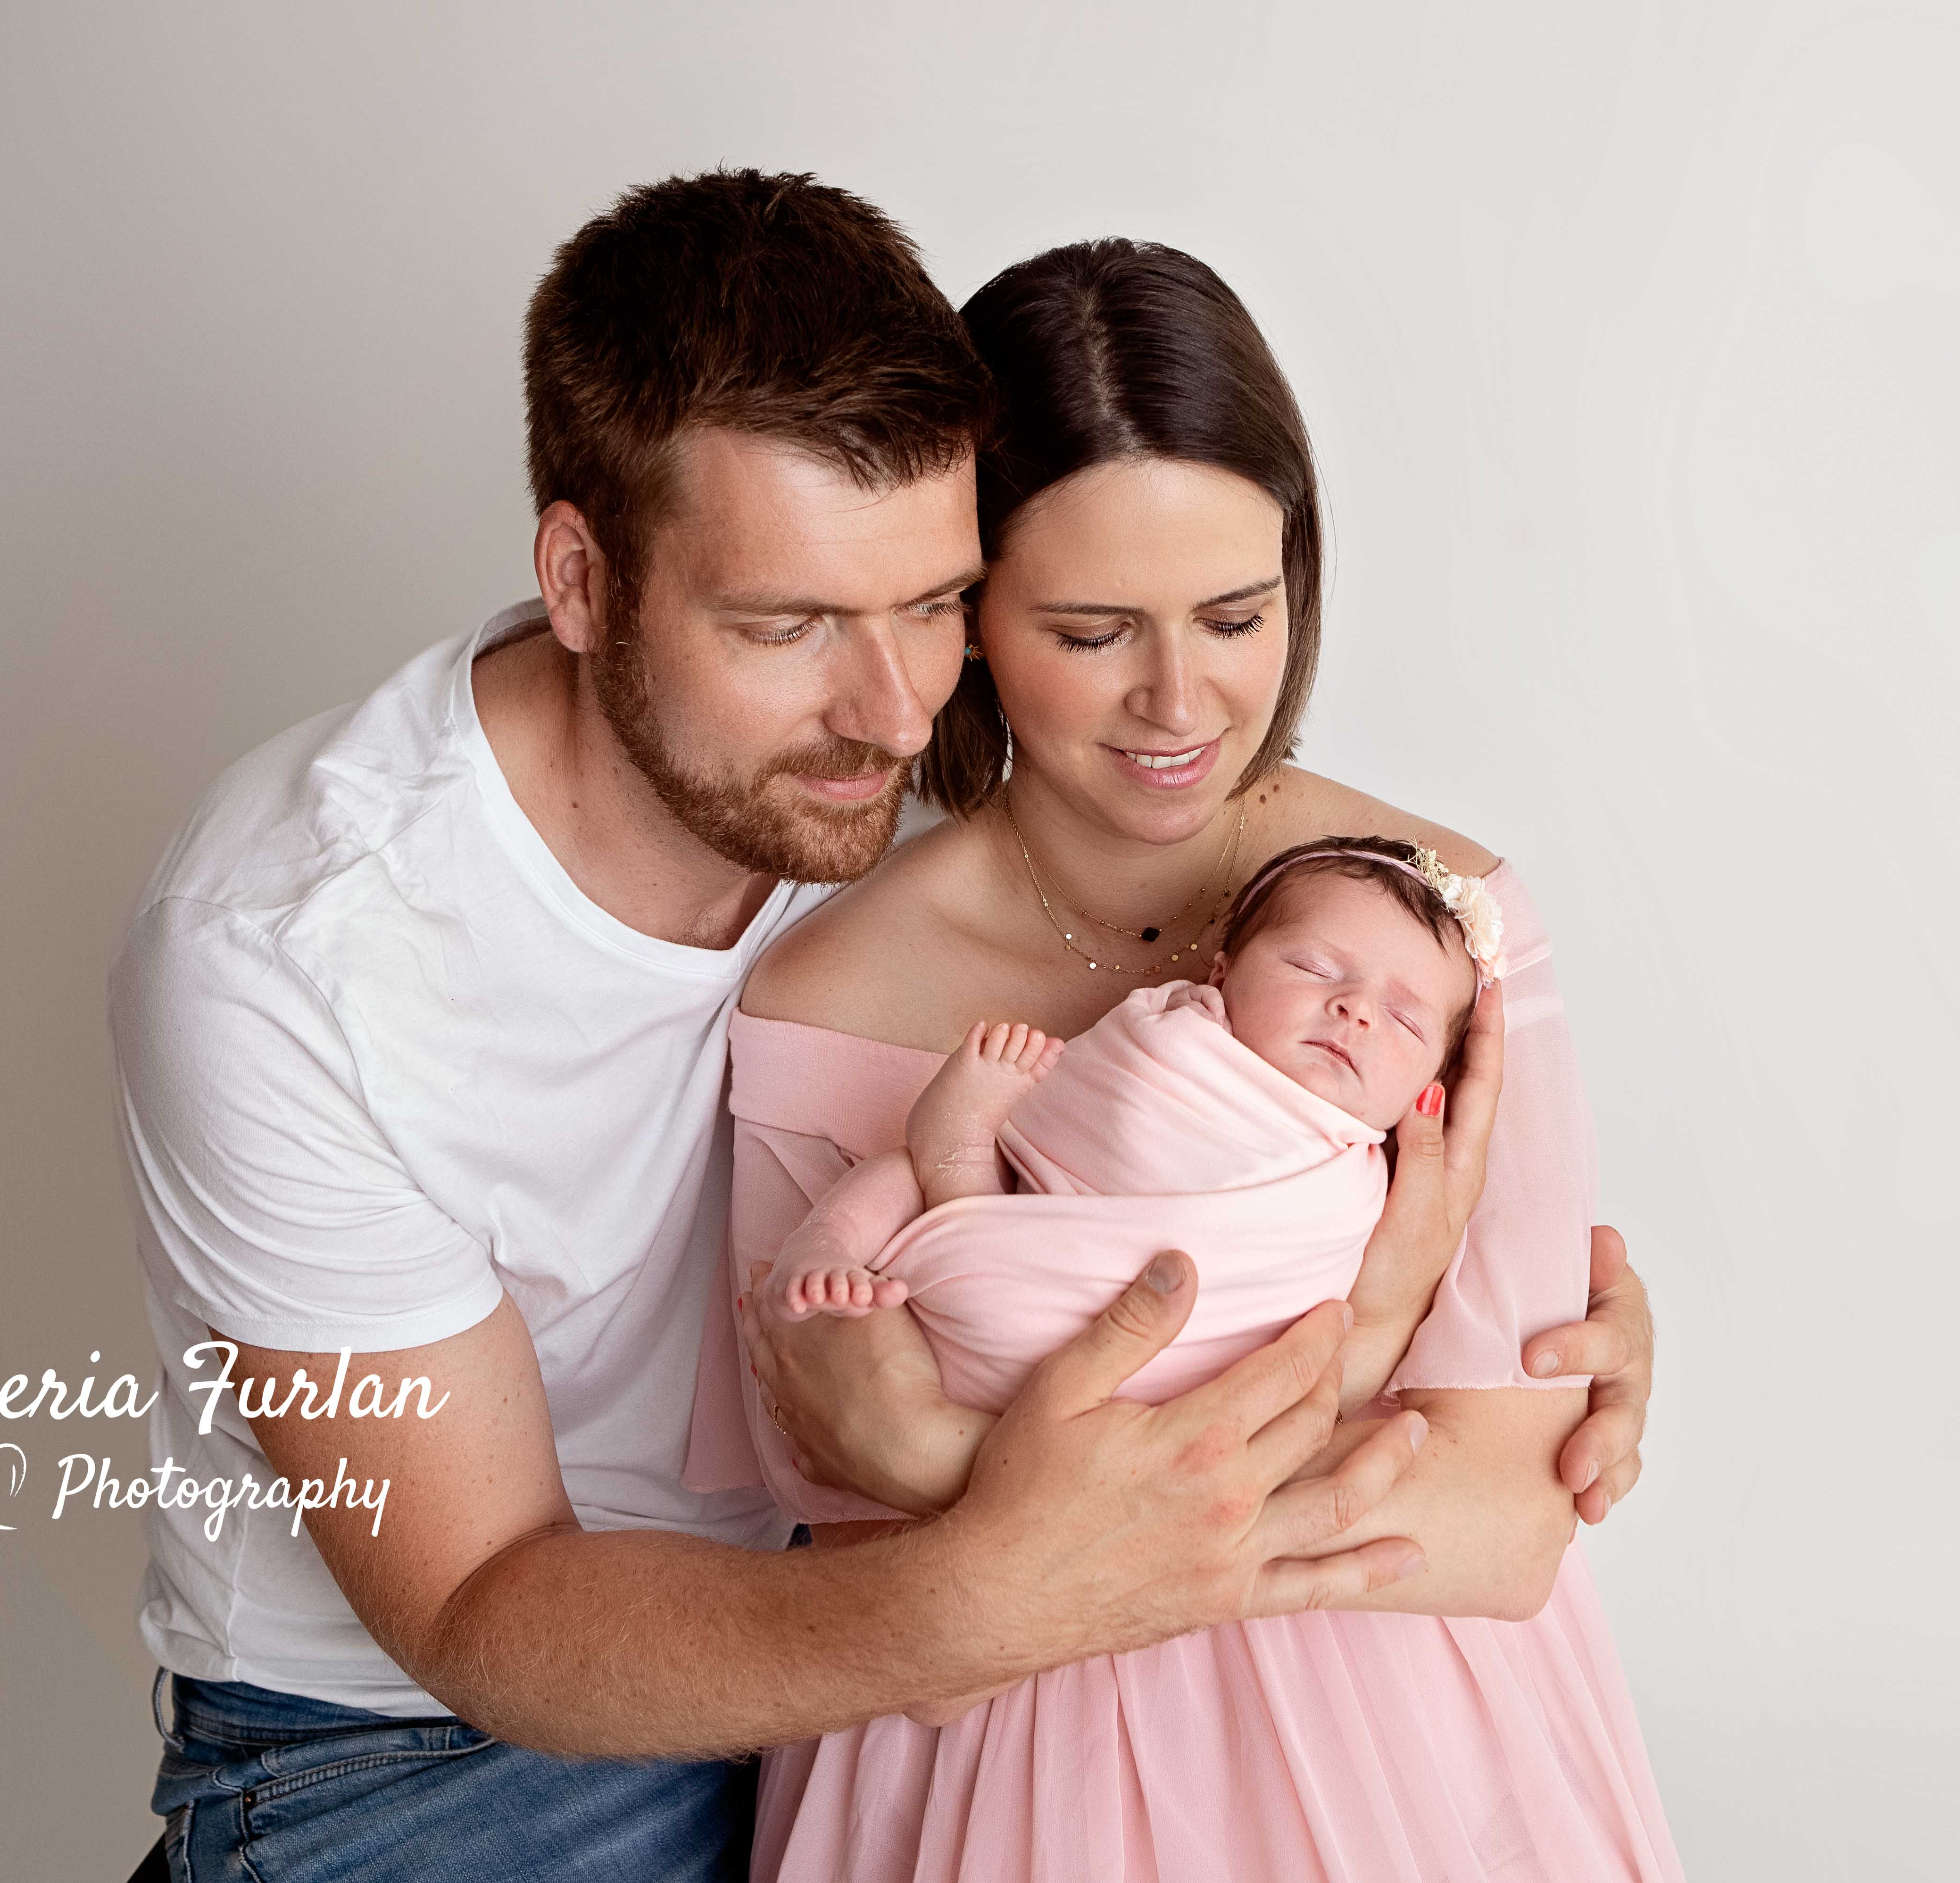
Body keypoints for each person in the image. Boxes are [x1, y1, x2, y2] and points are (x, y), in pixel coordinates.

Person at [111, 171, 1657, 1883]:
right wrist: (1076, 1508)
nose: (892, 707)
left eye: (930, 609)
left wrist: (1485, 1329)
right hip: (452, 1740)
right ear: (582, 577)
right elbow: (486, 1599)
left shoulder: (943, 787)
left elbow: (1481, 1455)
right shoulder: (288, 953)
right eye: (788, 628)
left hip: (870, 1640)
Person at [706, 239, 1681, 1878]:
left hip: (1415, 1750)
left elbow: (1507, 1525)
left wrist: (999, 1493)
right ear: (963, 619)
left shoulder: (1446, 937)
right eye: (1092, 632)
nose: (1182, 700)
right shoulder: (833, 991)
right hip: (985, 1769)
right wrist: (1367, 1346)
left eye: (1237, 614)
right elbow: (838, 1517)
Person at [762, 836, 1500, 1327]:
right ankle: (842, 1230)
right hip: (1002, 1249)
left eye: (1404, 1021)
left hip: (1174, 1366)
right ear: (1220, 975)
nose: (1355, 1011)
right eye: (1311, 967)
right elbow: (1092, 1124)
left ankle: (959, 1177)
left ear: (1430, 1080)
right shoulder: (1165, 1040)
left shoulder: (1369, 1183)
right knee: (902, 1176)